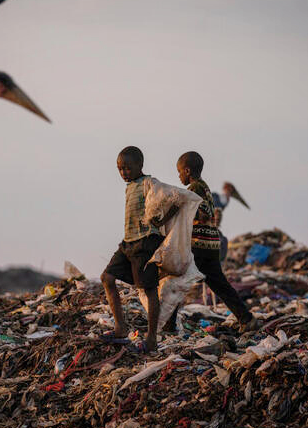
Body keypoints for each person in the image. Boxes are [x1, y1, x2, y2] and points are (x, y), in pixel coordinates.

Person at [164, 151, 254, 332]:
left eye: (180, 172)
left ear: (187, 171)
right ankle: (246, 318)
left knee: (176, 282)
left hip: (199, 246)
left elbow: (185, 214)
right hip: (211, 245)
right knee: (220, 285)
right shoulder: (205, 189)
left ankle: (168, 326)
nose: (179, 176)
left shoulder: (194, 189)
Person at [100, 146, 163, 352]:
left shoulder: (149, 183)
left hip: (145, 242)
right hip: (128, 243)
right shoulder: (130, 186)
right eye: (119, 169)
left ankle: (151, 338)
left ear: (140, 165)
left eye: (127, 168)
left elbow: (169, 201)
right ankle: (120, 327)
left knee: (148, 289)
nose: (123, 173)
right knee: (107, 277)